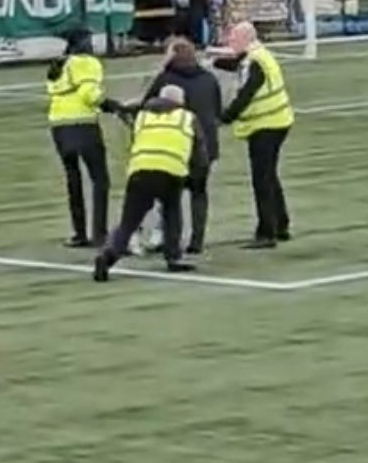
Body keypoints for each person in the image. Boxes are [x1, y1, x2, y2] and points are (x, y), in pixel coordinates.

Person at [93, 85, 205, 281]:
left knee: (128, 222)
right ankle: (173, 257)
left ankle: (108, 256)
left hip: (140, 170)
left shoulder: (143, 116)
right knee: (172, 214)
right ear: (180, 102)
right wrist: (196, 176)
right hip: (171, 171)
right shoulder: (187, 117)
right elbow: (199, 151)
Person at [132, 37, 222, 255]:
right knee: (199, 193)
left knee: (169, 195)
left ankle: (167, 238)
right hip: (205, 144)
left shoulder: (166, 79)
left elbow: (148, 106)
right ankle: (197, 240)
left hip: (175, 145)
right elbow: (217, 110)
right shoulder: (209, 79)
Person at [215, 21, 295, 248]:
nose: (229, 43)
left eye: (233, 39)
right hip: (277, 120)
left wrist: (224, 117)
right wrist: (216, 61)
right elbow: (237, 65)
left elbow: (247, 94)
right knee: (270, 175)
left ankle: (266, 232)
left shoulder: (255, 62)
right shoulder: (258, 55)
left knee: (262, 179)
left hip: (266, 124)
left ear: (245, 39)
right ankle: (280, 224)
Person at [46, 27, 110, 247]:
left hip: (59, 126)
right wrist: (111, 105)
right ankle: (99, 233)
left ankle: (79, 232)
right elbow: (88, 94)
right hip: (83, 124)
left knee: (74, 180)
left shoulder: (58, 65)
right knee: (100, 179)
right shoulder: (86, 63)